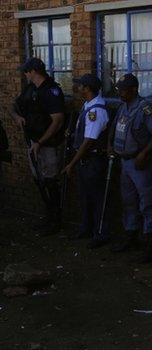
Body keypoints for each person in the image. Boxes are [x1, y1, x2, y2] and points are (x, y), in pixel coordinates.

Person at [10, 57, 66, 236]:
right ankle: (49, 217)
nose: (25, 74)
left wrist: (40, 143)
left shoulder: (51, 90)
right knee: (39, 182)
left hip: (47, 145)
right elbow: (13, 105)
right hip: (33, 143)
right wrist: (17, 117)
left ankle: (55, 221)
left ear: (33, 71)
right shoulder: (30, 89)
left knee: (50, 182)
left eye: (27, 71)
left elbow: (57, 120)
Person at [108, 73, 152, 263]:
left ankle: (150, 244)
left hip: (141, 164)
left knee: (147, 204)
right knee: (128, 202)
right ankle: (131, 236)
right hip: (125, 162)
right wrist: (109, 146)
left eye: (123, 90)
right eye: (119, 90)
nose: (120, 93)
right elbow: (114, 128)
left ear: (134, 90)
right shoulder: (123, 107)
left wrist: (144, 153)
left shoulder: (144, 109)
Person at [61, 73, 110, 249]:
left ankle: (100, 233)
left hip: (93, 160)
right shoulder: (88, 105)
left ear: (88, 88)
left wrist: (72, 163)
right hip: (85, 161)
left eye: (81, 86)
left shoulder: (96, 110)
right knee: (85, 197)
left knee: (97, 198)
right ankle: (86, 228)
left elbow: (89, 141)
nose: (79, 88)